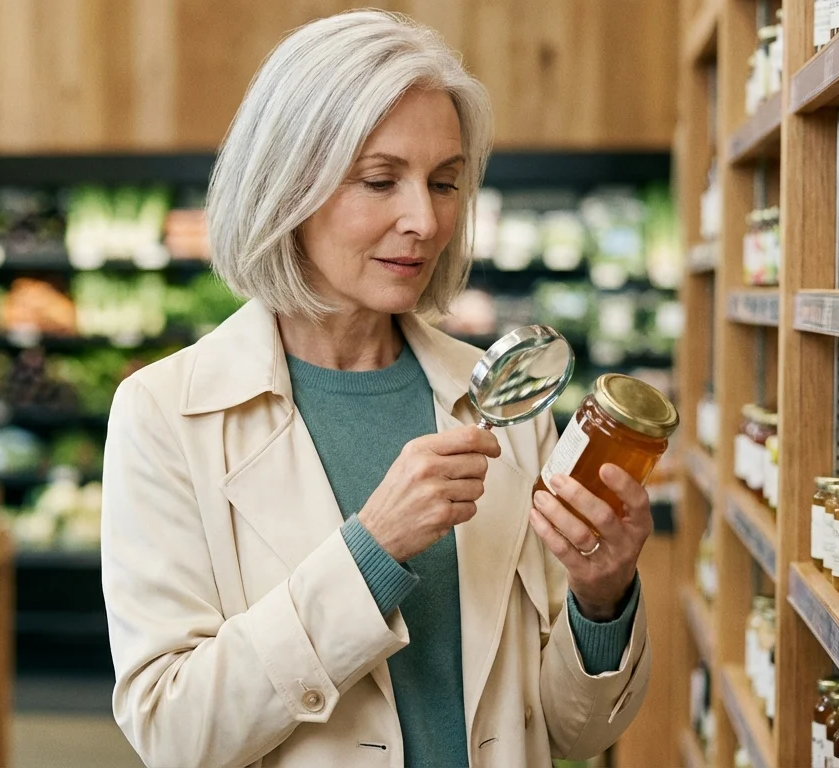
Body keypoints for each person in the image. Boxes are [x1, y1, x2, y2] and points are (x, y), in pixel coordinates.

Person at [101, 10, 651, 768]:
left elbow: (570, 735)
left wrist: (603, 597)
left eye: (446, 183)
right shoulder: (164, 414)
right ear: (286, 184)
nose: (425, 220)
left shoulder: (504, 405)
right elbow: (173, 730)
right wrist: (371, 551)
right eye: (380, 180)